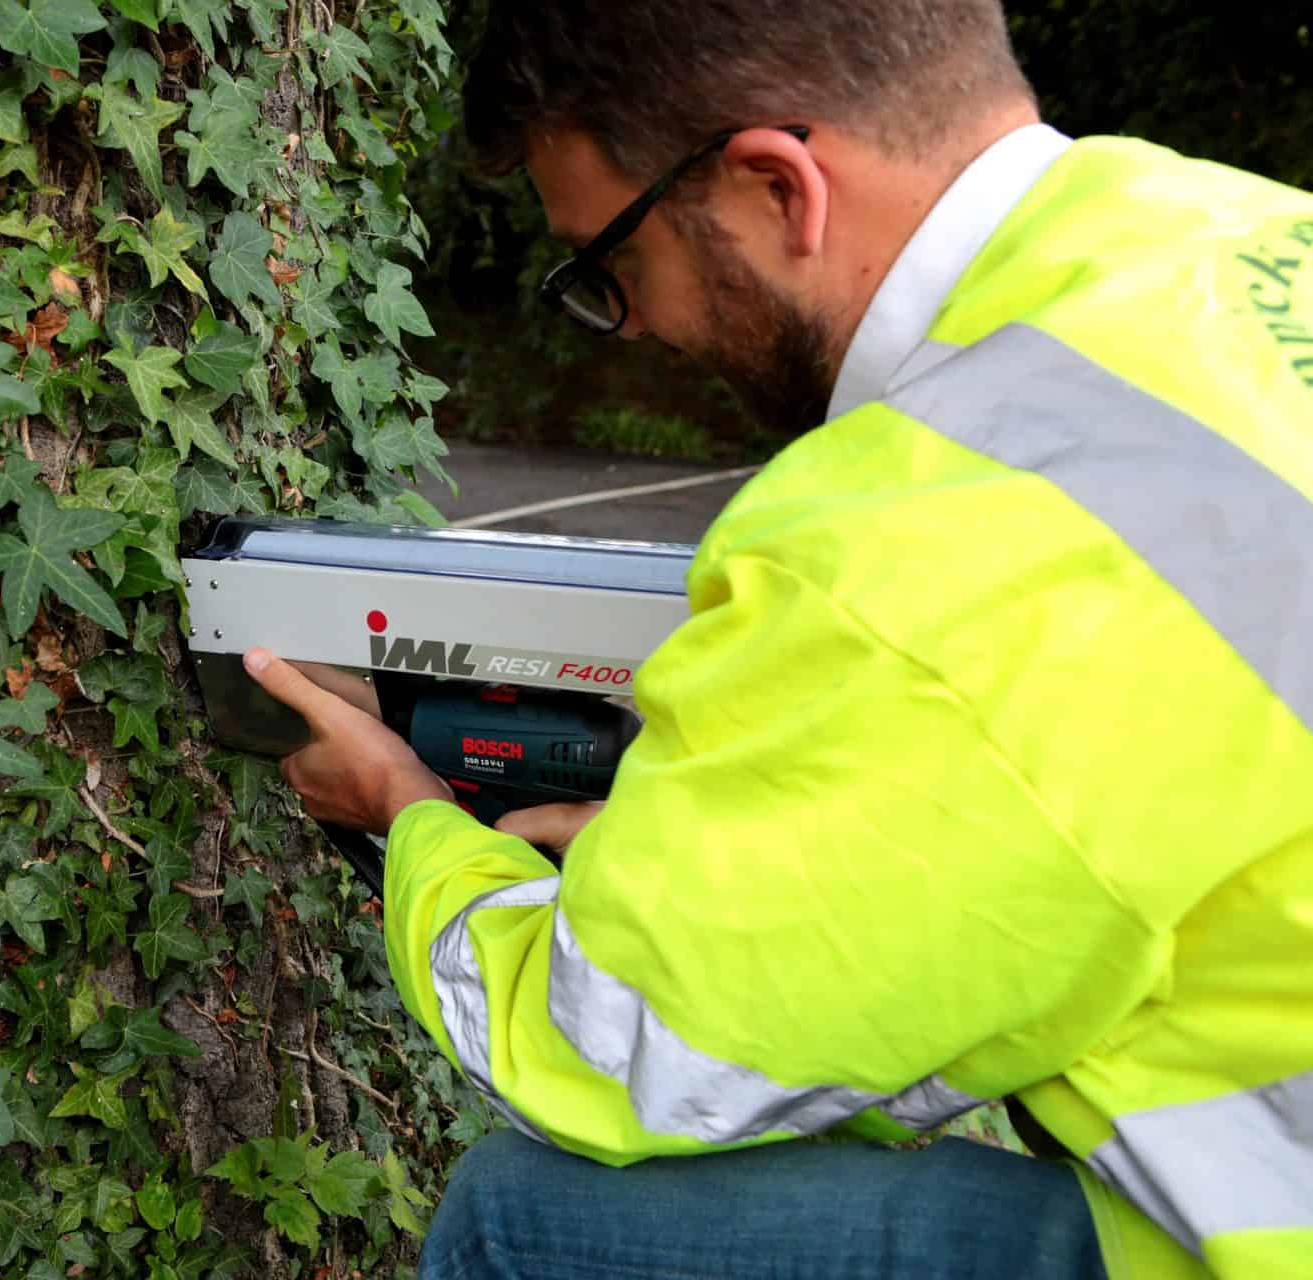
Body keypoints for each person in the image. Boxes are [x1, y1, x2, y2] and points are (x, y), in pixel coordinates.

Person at [242, 0, 1313, 1276]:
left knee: (519, 1217)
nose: (624, 322)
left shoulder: (910, 531)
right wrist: (747, 853)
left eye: (612, 264)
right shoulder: (1235, 229)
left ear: (775, 186)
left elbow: (603, 1050)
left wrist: (407, 812)